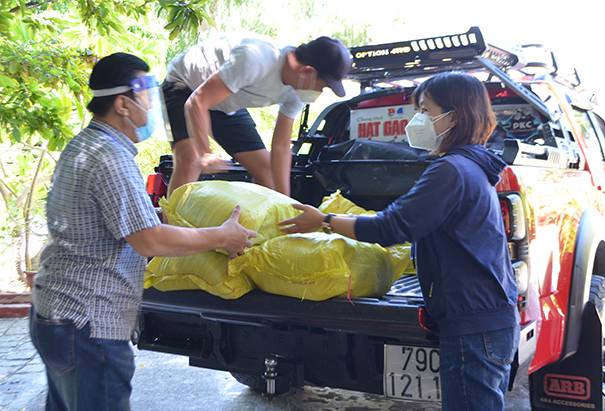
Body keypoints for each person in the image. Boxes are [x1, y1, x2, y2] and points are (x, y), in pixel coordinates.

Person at [278, 72, 520, 411]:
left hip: (473, 325)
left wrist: (324, 221)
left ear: (454, 115)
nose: (417, 119)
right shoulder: (470, 167)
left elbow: (391, 227)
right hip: (486, 318)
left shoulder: (451, 171)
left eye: (425, 110)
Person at [30, 52, 257, 411]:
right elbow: (149, 239)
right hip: (89, 324)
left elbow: (105, 220)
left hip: (56, 315)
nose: (152, 105)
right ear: (123, 103)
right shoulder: (110, 157)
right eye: (147, 94)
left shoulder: (84, 146)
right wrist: (222, 236)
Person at [162, 32, 353, 196]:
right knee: (190, 160)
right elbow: (197, 102)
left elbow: (280, 146)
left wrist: (285, 202)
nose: (319, 92)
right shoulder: (256, 58)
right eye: (323, 86)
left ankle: (265, 233)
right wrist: (205, 153)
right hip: (184, 86)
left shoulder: (298, 91)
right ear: (307, 72)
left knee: (267, 172)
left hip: (224, 102)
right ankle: (170, 234)